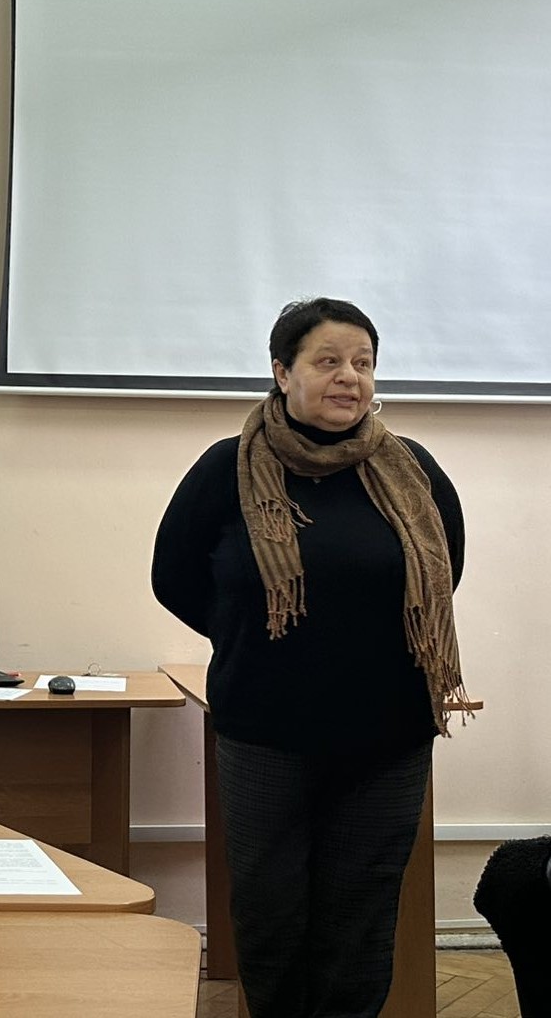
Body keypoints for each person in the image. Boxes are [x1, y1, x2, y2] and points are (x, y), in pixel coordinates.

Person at [151, 297, 469, 1018]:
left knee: (361, 912)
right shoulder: (227, 468)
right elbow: (173, 577)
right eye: (327, 361)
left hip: (388, 734)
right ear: (281, 372)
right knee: (271, 910)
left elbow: (441, 571)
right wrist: (257, 634)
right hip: (265, 731)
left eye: (362, 362)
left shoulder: (411, 469)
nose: (348, 377)